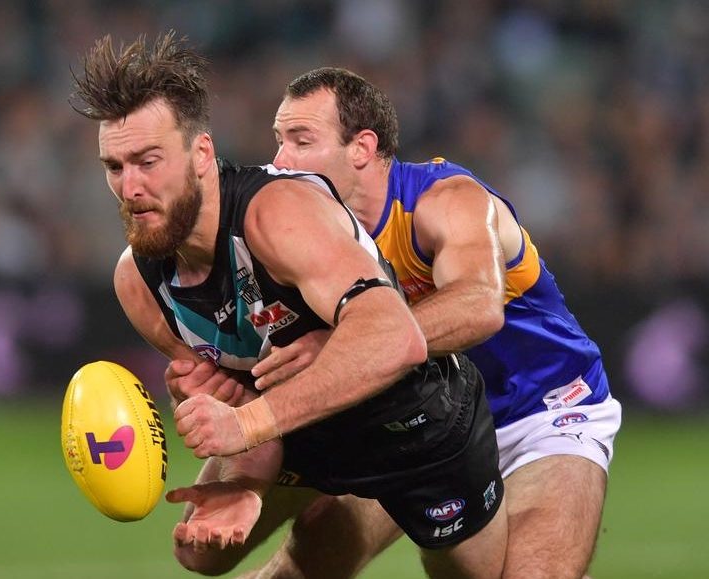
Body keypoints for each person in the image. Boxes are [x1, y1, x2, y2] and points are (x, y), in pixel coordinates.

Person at [71, 33, 508, 579]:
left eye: (148, 161)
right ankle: (326, 509)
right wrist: (246, 480)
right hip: (304, 431)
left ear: (201, 154)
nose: (130, 187)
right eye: (115, 167)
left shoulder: (277, 214)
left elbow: (397, 338)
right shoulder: (138, 282)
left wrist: (247, 423)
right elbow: (244, 401)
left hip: (416, 427)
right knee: (200, 553)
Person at [228, 66, 622, 578]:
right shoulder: (300, 233)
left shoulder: (445, 201)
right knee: (312, 559)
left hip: (542, 410)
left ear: (362, 148)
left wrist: (350, 343)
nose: (280, 161)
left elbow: (478, 306)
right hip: (416, 422)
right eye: (279, 140)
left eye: (301, 141)